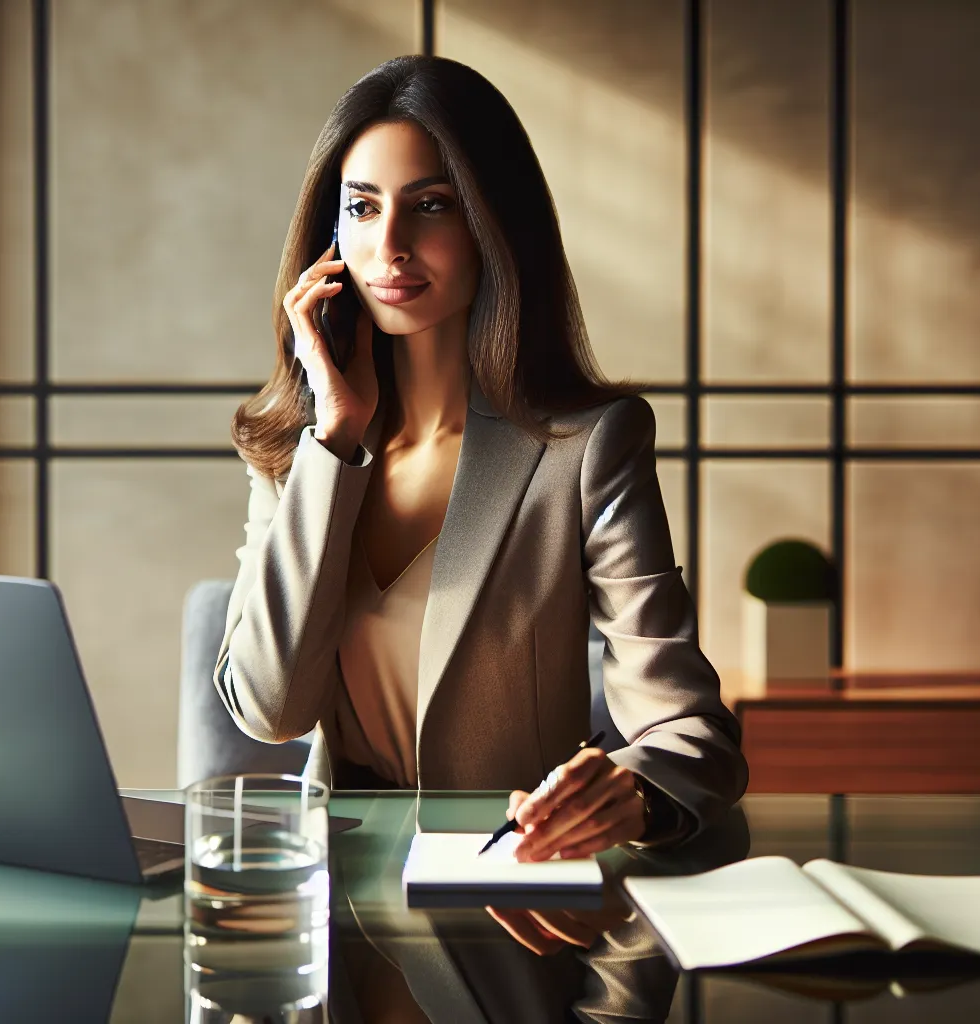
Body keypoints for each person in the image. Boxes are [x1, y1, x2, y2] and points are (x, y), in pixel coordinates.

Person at [213, 53, 746, 883]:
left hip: (513, 895)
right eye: (360, 208)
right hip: (335, 903)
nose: (388, 246)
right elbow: (271, 709)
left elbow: (689, 731)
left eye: (431, 206)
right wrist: (335, 438)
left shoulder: (588, 447)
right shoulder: (296, 449)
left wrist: (631, 791)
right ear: (328, 237)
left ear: (494, 224)